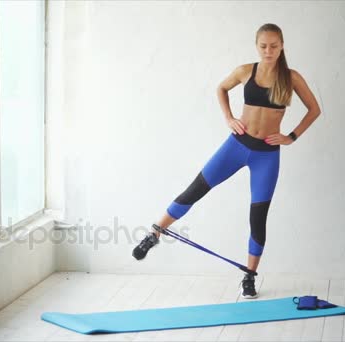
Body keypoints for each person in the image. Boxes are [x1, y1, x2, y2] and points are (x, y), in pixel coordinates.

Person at [132, 23, 321, 299]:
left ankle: (249, 276)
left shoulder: (291, 78)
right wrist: (229, 118)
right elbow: (221, 88)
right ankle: (155, 233)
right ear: (257, 46)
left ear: (282, 46)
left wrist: (291, 136)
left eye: (274, 46)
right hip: (236, 146)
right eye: (263, 46)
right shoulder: (246, 71)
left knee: (257, 217)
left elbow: (314, 110)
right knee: (195, 189)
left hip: (266, 155)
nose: (268, 51)